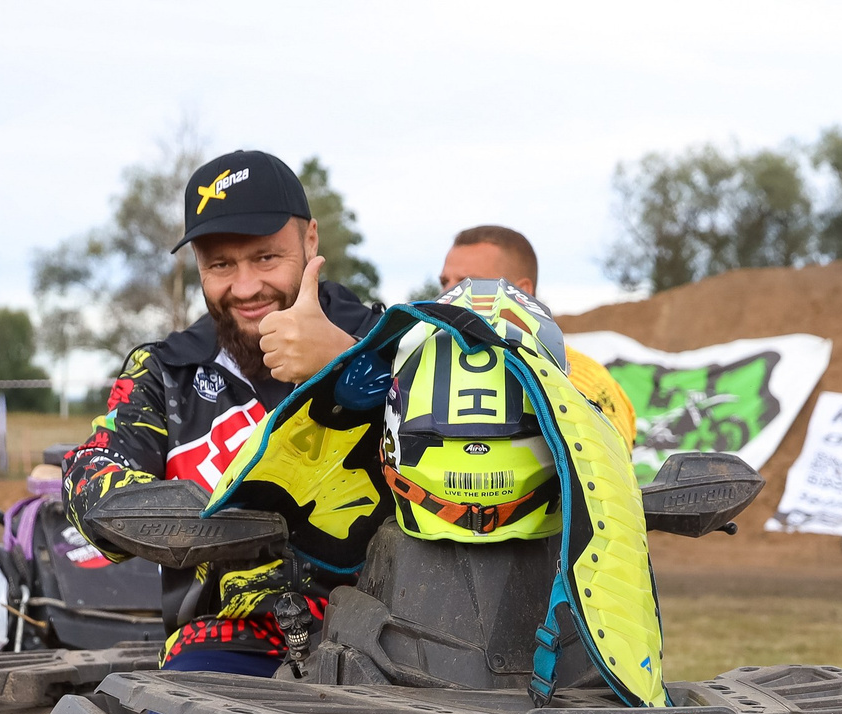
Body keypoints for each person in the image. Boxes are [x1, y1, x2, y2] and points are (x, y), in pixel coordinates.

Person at [64, 149, 381, 677]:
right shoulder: (163, 372)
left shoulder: (394, 340)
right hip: (225, 643)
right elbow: (87, 477)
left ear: (310, 241)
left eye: (265, 258)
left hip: (389, 634)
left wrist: (347, 363)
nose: (246, 287)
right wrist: (211, 520)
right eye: (220, 265)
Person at [437, 225, 636, 448]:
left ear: (521, 292)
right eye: (445, 282)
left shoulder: (580, 378)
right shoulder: (423, 367)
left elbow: (608, 472)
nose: (449, 295)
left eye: (468, 284)